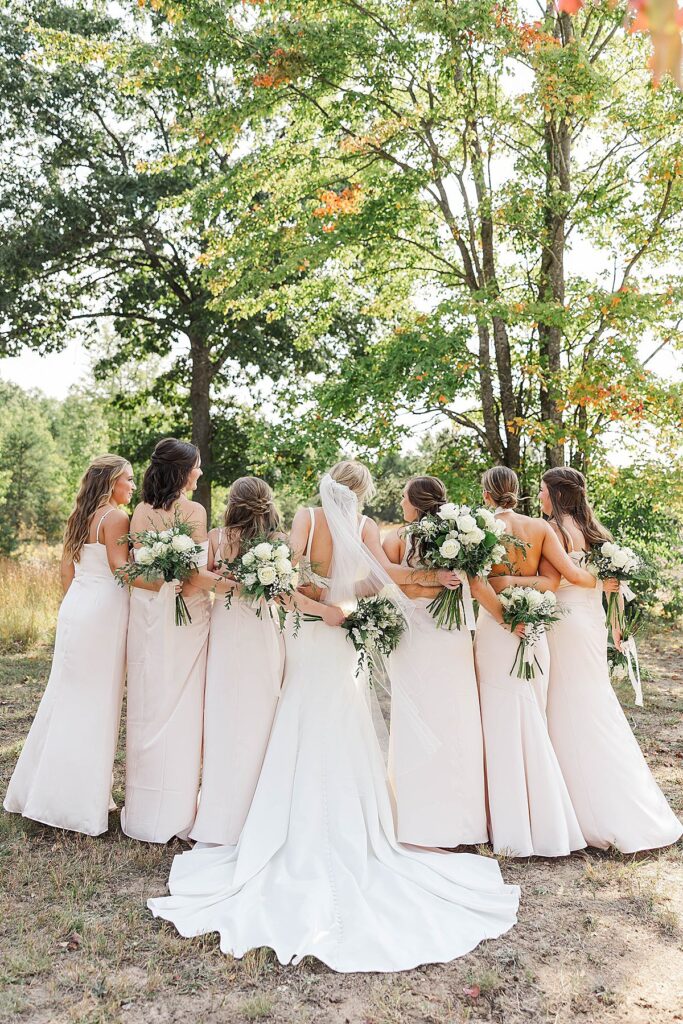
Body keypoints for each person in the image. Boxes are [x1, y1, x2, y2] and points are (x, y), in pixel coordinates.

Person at [147, 461, 520, 973]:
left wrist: (315, 601)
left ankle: (291, 824)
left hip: (310, 627)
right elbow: (376, 582)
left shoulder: (307, 515)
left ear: (327, 483)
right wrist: (339, 605)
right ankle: (354, 828)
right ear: (362, 491)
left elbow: (291, 566)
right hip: (341, 632)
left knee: (302, 708)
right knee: (343, 715)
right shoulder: (367, 527)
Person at [540, 467, 682, 853]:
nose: (539, 497)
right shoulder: (595, 531)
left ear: (554, 493)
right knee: (590, 699)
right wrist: (618, 623)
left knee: (562, 702)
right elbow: (615, 585)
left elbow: (555, 577)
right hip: (591, 622)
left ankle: (576, 806)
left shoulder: (551, 529)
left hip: (565, 620)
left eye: (541, 491)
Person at [4, 455, 134, 835]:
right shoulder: (115, 519)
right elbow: (120, 571)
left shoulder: (79, 516)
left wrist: (75, 605)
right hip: (104, 612)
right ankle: (77, 802)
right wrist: (162, 569)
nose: (132, 485)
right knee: (97, 702)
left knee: (65, 698)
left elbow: (67, 570)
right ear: (111, 483)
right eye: (127, 479)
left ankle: (43, 790)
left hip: (76, 607)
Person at [474, 465, 592, 858]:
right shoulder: (539, 529)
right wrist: (521, 589)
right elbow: (553, 583)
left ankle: (504, 824)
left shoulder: (475, 527)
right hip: (534, 627)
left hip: (497, 628)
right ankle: (545, 824)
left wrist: (505, 596)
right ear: (517, 492)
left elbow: (477, 585)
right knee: (531, 717)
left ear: (487, 494)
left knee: (498, 721)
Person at [382, 475, 489, 848]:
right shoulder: (403, 535)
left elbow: (464, 579)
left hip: (443, 633)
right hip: (418, 633)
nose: (400, 501)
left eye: (403, 496)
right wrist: (432, 577)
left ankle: (453, 818)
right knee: (421, 713)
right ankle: (424, 814)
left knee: (450, 712)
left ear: (416, 501)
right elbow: (385, 575)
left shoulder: (456, 533)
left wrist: (417, 584)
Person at [122, 438, 212, 844]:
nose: (200, 473)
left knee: (148, 700)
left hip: (147, 612)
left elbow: (140, 570)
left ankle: (143, 811)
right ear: (181, 471)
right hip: (184, 614)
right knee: (182, 703)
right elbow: (191, 578)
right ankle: (175, 810)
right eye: (196, 467)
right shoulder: (193, 511)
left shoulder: (139, 511)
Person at [189, 477, 285, 847]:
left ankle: (225, 808)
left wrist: (226, 583)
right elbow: (281, 592)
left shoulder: (216, 537)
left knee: (226, 713)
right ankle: (255, 805)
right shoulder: (276, 543)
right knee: (260, 712)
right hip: (260, 628)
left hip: (228, 629)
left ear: (232, 502)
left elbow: (199, 578)